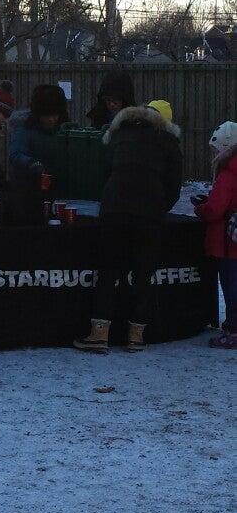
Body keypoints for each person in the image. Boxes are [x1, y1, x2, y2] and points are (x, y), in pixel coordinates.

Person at [74, 99, 182, 354]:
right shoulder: (168, 141)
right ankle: (136, 335)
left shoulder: (119, 135)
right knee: (143, 272)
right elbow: (174, 186)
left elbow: (103, 172)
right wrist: (157, 207)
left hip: (115, 209)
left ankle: (99, 333)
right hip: (149, 213)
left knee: (109, 270)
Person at [194, 121, 237, 350]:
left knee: (231, 285)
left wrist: (201, 208)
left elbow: (215, 209)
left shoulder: (228, 174)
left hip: (227, 241)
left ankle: (233, 330)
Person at [9, 85, 71, 216]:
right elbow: (15, 154)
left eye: (55, 115)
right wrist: (32, 163)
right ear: (38, 114)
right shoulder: (24, 128)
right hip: (28, 195)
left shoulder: (64, 130)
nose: (52, 119)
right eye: (47, 115)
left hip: (58, 193)